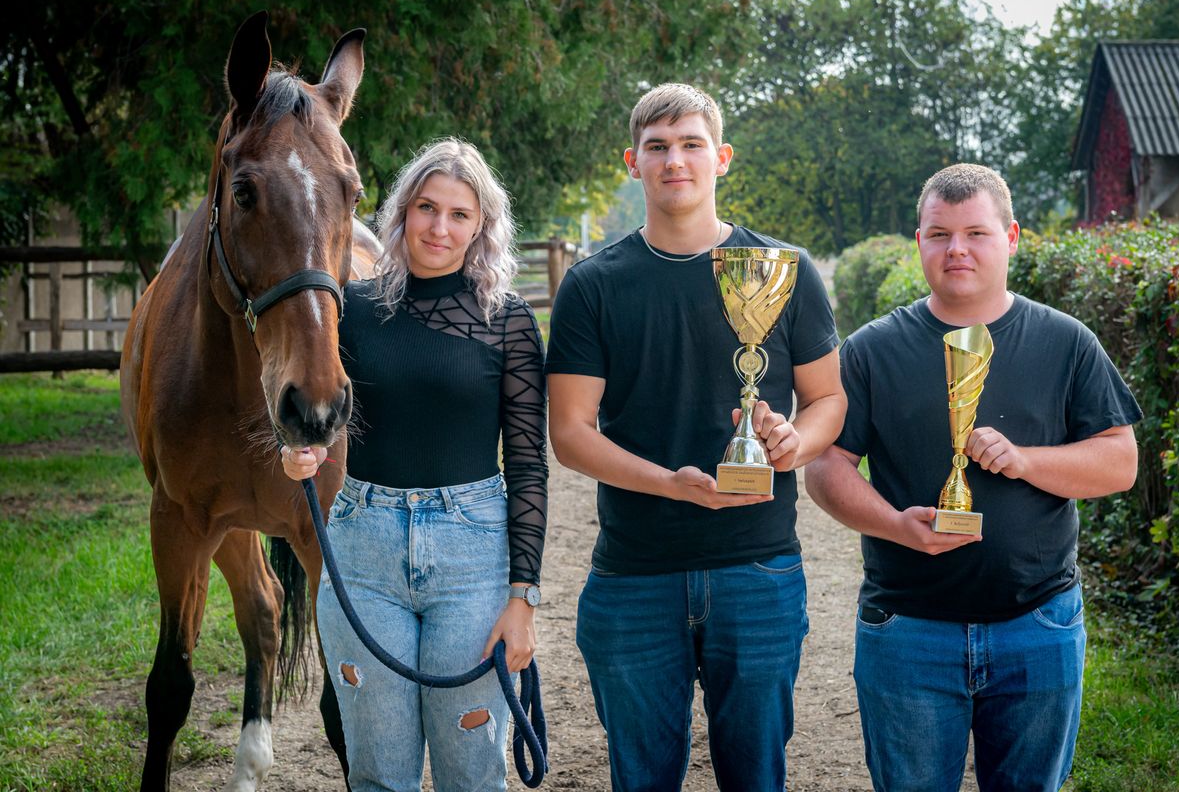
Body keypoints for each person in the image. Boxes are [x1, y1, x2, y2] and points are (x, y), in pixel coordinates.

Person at [545, 83, 846, 791]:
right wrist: (668, 483)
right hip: (635, 571)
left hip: (760, 566)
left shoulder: (786, 270)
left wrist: (791, 445)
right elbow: (569, 432)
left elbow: (828, 399)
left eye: (690, 145)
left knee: (757, 777)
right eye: (657, 147)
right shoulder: (592, 285)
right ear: (632, 161)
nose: (673, 160)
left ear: (722, 158)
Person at [805, 163, 1141, 792]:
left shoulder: (1067, 343)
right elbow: (826, 467)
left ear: (1011, 237)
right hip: (907, 630)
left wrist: (1028, 460)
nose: (956, 249)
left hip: (1038, 627)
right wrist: (894, 526)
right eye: (939, 234)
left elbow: (1120, 463)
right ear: (919, 241)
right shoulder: (873, 349)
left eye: (976, 233)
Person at [281, 137, 547, 791]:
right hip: (363, 551)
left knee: (471, 773)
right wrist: (297, 450)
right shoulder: (354, 309)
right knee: (377, 772)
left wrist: (523, 598)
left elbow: (528, 465)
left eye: (459, 214)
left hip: (472, 555)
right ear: (402, 212)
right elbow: (315, 406)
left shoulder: (507, 321)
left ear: (482, 225)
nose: (440, 226)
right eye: (427, 207)